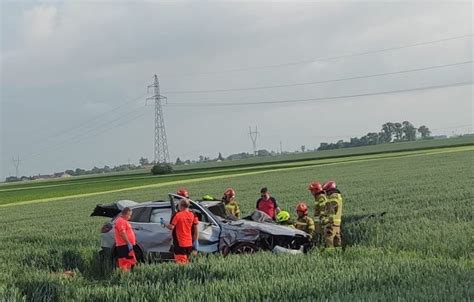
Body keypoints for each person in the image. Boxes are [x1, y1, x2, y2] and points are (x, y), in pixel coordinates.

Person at [166, 198, 199, 264]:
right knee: (188, 262)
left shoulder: (177, 215)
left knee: (181, 264)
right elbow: (196, 229)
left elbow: (171, 227)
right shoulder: (193, 215)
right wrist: (196, 242)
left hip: (179, 243)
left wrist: (165, 224)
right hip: (189, 243)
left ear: (181, 205)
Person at [114, 207, 137, 272]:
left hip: (126, 245)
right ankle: (125, 276)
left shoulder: (124, 221)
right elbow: (122, 233)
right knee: (124, 262)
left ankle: (127, 275)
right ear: (125, 214)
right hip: (123, 245)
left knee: (129, 261)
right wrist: (128, 243)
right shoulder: (120, 221)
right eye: (130, 215)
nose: (130, 217)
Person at [322, 181, 343, 250]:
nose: (326, 193)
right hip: (337, 224)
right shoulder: (338, 196)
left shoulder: (333, 196)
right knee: (337, 240)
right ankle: (338, 254)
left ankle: (330, 255)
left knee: (329, 239)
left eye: (326, 191)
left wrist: (328, 222)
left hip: (332, 223)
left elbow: (332, 210)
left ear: (330, 190)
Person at [308, 181, 327, 246]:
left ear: (316, 190)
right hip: (318, 224)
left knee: (323, 237)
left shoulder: (321, 197)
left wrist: (322, 220)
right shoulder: (318, 198)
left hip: (321, 223)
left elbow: (323, 209)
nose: (311, 193)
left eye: (312, 191)